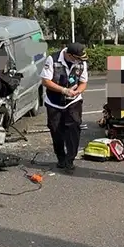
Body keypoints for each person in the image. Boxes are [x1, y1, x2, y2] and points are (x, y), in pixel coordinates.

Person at [40, 42, 89, 173]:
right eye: (77, 58)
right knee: (56, 131)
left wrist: (78, 91)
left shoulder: (81, 62)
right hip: (54, 102)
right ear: (69, 55)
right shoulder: (53, 59)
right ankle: (61, 158)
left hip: (73, 102)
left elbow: (83, 82)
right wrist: (64, 90)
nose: (80, 61)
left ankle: (70, 159)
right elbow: (45, 81)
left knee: (74, 130)